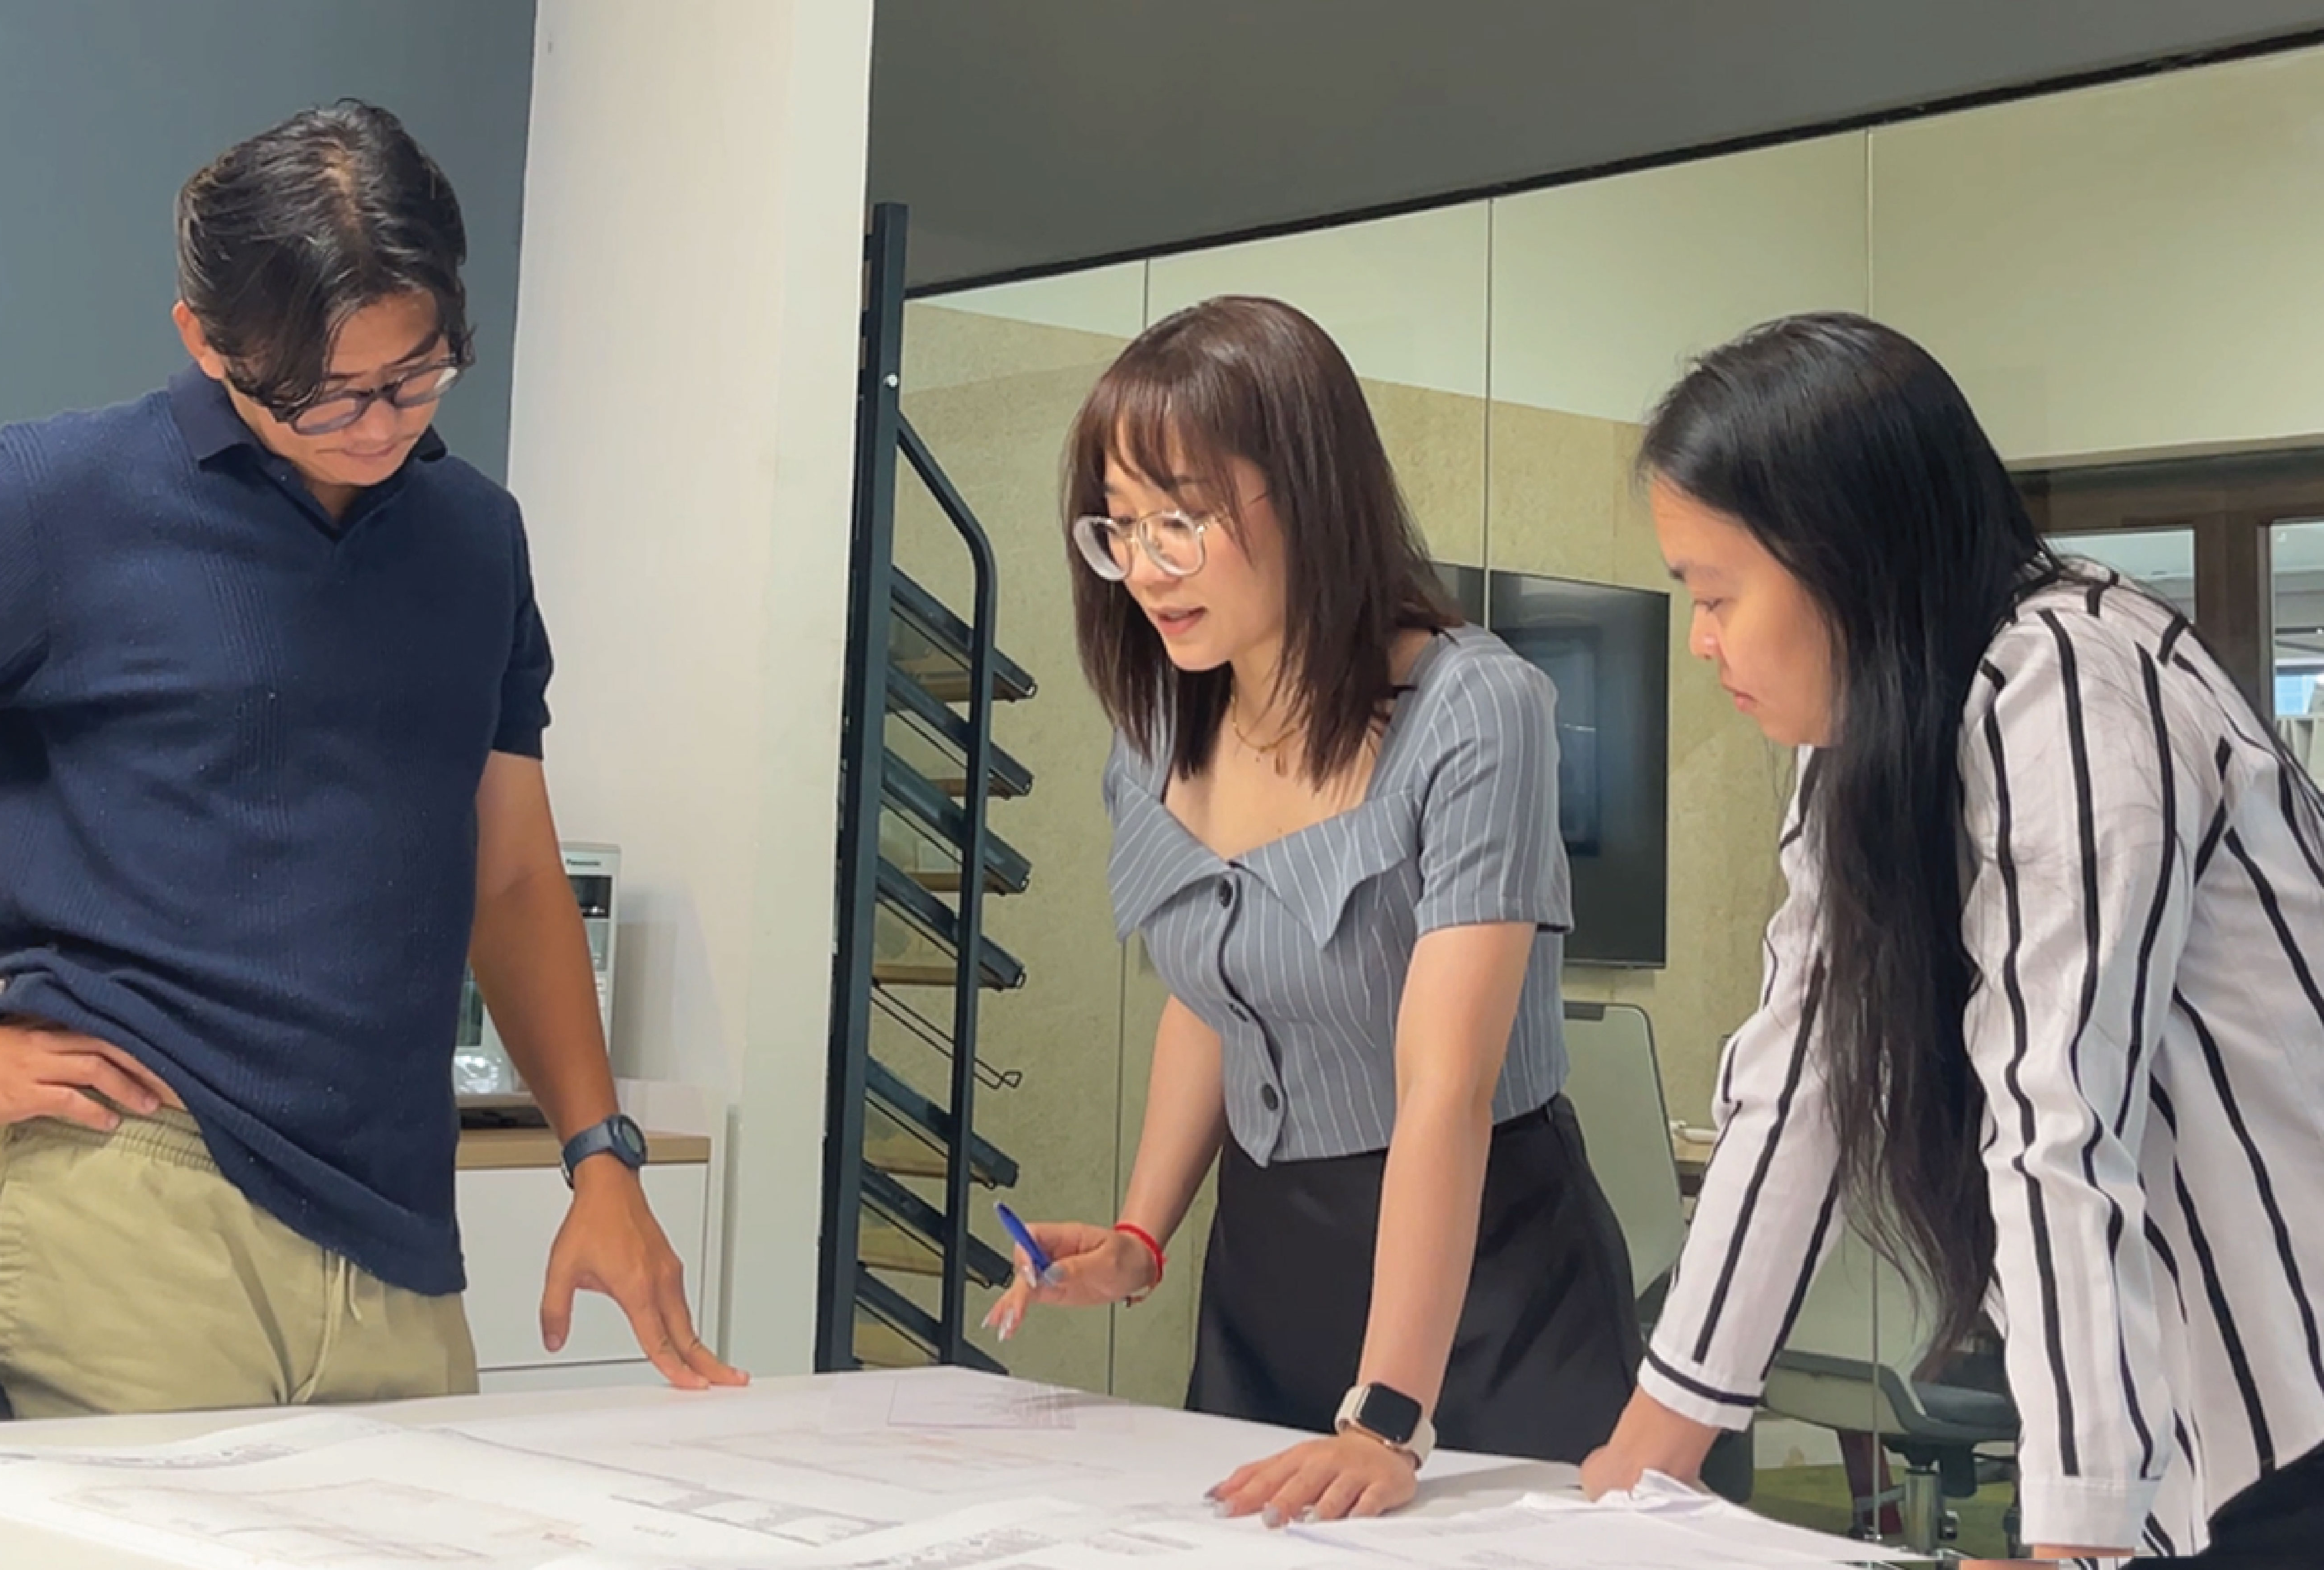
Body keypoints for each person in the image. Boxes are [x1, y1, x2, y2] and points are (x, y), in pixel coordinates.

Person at [0, 101, 742, 1416]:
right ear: (205, 340)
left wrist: (600, 1154)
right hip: (136, 1202)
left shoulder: (478, 539)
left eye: (415, 377)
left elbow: (515, 875)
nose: (377, 426)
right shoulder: (56, 501)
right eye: (323, 393)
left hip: (401, 1236)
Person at [1581, 313, 2324, 1565]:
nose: (1703, 640)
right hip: (2196, 1399)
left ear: (1849, 560)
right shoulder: (1864, 745)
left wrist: (2074, 1537)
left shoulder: (2074, 684)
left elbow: (2059, 1112)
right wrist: (1651, 1444)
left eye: (1718, 594)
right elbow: (1796, 1081)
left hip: (2290, 1379)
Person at [989, 296, 1641, 1522]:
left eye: (1179, 521)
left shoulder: (1473, 709)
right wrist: (1141, 1234)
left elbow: (1443, 1087)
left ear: (1308, 492)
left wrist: (1390, 1409)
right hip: (1267, 1274)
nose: (1144, 568)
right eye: (1119, 529)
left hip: (1489, 1287)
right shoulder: (1156, 730)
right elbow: (1215, 995)